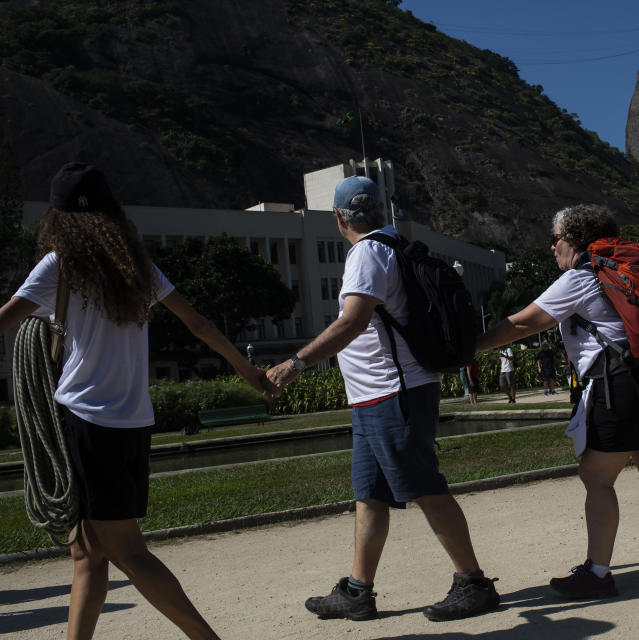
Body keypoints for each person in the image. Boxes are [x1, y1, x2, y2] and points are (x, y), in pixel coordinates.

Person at [0, 162, 274, 640]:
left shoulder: (59, 265)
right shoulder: (136, 266)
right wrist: (244, 368)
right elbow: (199, 324)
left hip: (87, 421)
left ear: (56, 217)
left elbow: (3, 321)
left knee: (128, 552)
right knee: (87, 553)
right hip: (131, 423)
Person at [266, 176, 499, 621]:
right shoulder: (394, 244)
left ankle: (474, 583)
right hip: (380, 395)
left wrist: (293, 364)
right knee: (370, 495)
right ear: (382, 211)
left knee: (426, 488)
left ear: (339, 218)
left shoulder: (368, 251)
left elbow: (353, 321)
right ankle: (357, 591)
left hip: (395, 392)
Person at [476, 203, 639, 599]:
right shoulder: (628, 268)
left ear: (572, 239)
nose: (551, 248)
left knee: (596, 476)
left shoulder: (583, 275)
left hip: (616, 383)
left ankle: (597, 573)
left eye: (554, 239)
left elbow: (525, 322)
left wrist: (470, 348)